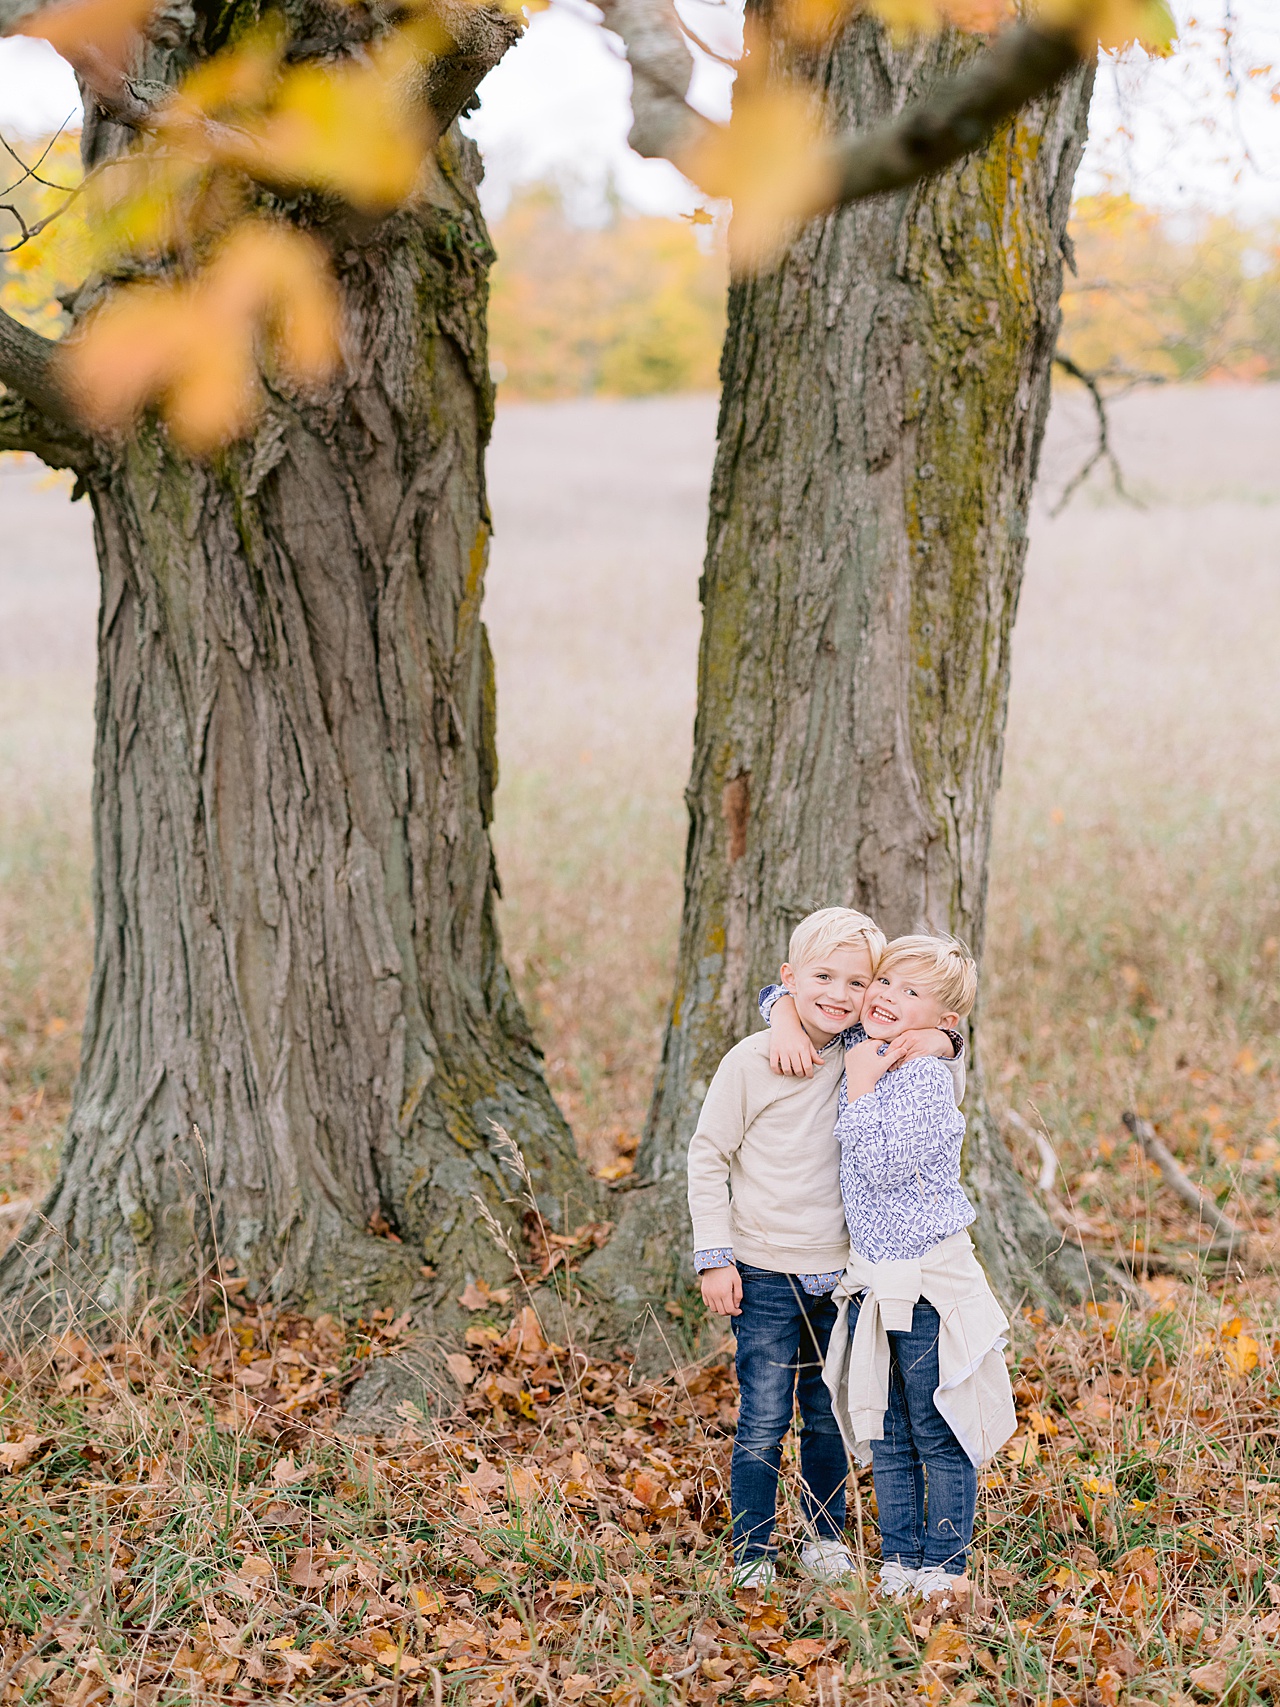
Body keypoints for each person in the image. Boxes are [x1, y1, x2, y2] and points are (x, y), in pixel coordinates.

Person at [687, 908, 964, 1590]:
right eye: (821, 979)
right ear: (788, 980)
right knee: (762, 1411)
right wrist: (713, 1253)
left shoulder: (861, 1048)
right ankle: (752, 1546)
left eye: (856, 981)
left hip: (841, 1272)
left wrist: (945, 1041)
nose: (841, 994)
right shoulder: (752, 1059)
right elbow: (707, 1155)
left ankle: (825, 1535)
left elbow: (938, 1025)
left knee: (828, 1411)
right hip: (761, 1268)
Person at [821, 935, 1016, 1601]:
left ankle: (946, 1565)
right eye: (886, 981)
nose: (887, 998)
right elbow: (783, 1000)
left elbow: (880, 1167)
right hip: (879, 1280)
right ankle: (899, 1558)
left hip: (926, 1286)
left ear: (945, 1022)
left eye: (911, 993)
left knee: (937, 1425)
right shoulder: (875, 1049)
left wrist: (864, 1088)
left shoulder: (924, 1077)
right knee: (889, 1427)